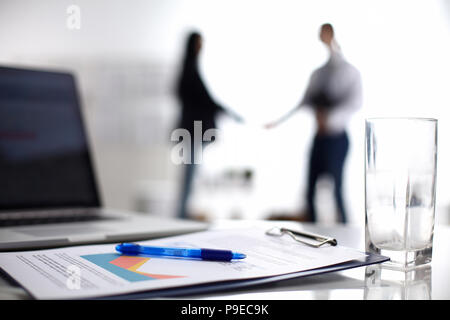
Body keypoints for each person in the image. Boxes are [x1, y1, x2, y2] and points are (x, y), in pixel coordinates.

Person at [265, 23, 362, 223]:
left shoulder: (347, 72)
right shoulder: (318, 74)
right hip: (319, 140)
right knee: (310, 192)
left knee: (337, 192)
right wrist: (278, 122)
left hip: (337, 140)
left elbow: (354, 101)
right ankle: (312, 235)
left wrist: (331, 119)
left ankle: (345, 233)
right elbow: (303, 102)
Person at [175, 31, 243, 219]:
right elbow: (205, 100)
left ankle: (182, 214)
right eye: (199, 42)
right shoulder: (190, 70)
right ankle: (180, 215)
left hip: (192, 131)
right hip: (192, 132)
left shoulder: (191, 68)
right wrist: (228, 112)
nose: (201, 46)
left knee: (191, 175)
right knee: (189, 177)